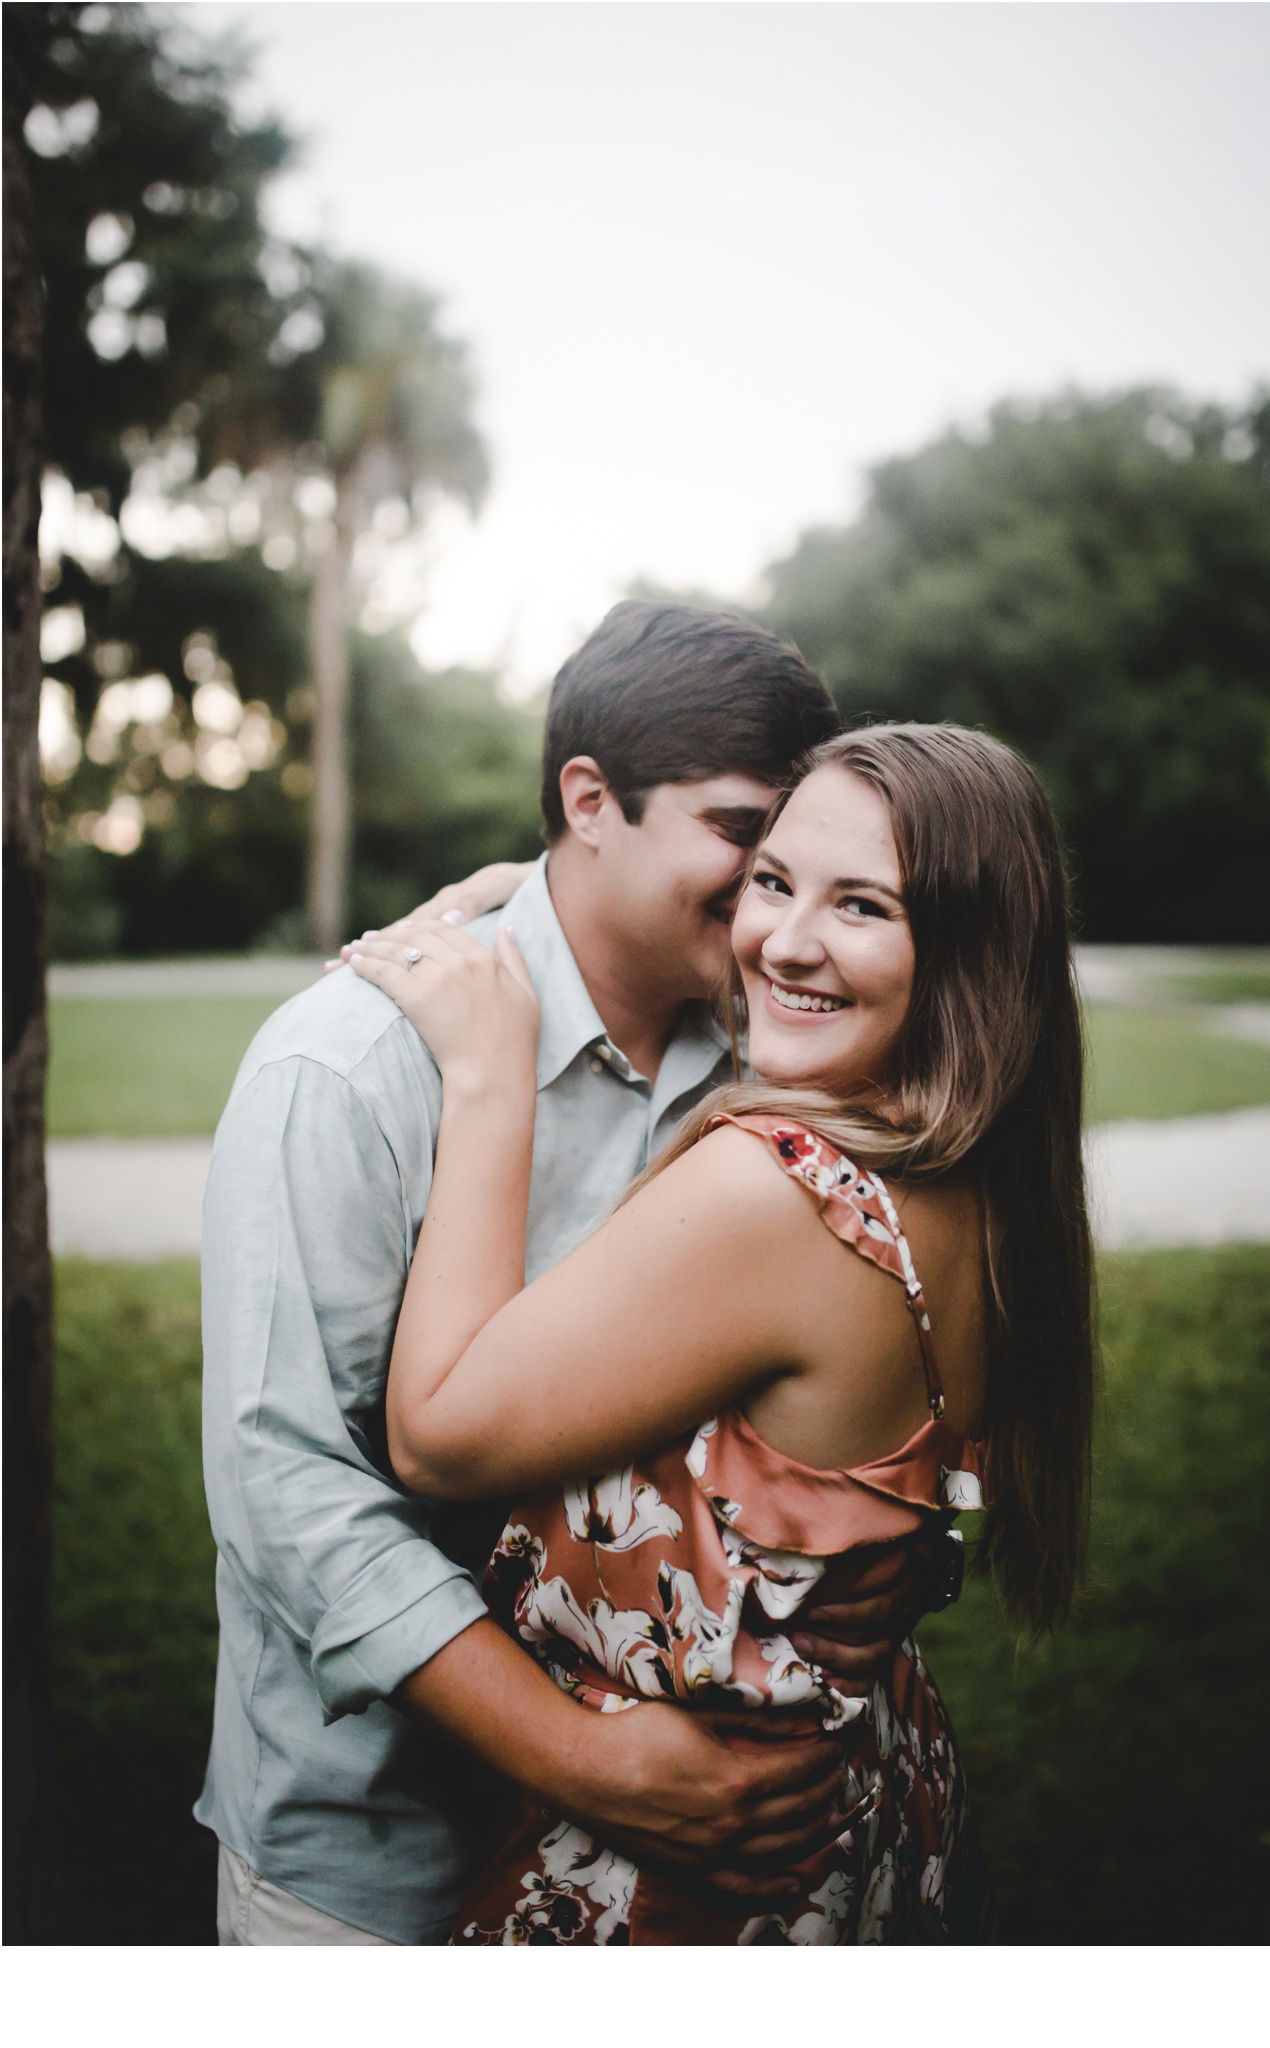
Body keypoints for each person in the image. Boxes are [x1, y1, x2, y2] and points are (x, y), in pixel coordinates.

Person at [196, 602, 950, 1947]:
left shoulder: (778, 1051)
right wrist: (574, 1756)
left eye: (787, 855)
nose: (768, 899)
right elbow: (286, 1491)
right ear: (588, 801)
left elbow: (915, 1319)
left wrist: (905, 1543)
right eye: (738, 835)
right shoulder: (351, 1067)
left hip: (691, 1886)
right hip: (377, 1858)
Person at [346, 720, 1096, 1945]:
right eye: (772, 879)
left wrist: (491, 1075)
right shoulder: (982, 1184)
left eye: (863, 905)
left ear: (968, 947)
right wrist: (522, 896)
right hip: (868, 1810)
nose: (783, 941)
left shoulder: (779, 1192)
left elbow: (436, 1432)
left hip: (692, 1887)